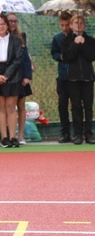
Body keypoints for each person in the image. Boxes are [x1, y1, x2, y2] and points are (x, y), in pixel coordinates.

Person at [0, 15, 24, 148]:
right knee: (1, 106)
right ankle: (4, 137)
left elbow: (18, 59)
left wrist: (7, 75)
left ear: (7, 25)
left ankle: (13, 136)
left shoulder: (15, 40)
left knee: (11, 106)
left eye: (3, 24)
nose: (1, 26)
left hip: (13, 74)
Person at [61, 14, 95, 145]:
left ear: (84, 25)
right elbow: (68, 57)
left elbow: (91, 56)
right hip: (72, 79)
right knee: (76, 106)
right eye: (76, 23)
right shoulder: (66, 40)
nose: (79, 25)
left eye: (81, 23)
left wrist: (83, 44)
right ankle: (78, 134)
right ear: (71, 25)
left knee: (88, 106)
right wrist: (75, 44)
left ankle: (89, 133)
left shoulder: (90, 40)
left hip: (87, 78)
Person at [7, 13, 33, 144]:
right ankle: (8, 135)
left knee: (21, 105)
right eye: (10, 21)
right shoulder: (0, 37)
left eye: (15, 21)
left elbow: (26, 57)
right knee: (8, 106)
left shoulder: (21, 36)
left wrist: (27, 76)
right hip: (8, 77)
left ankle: (20, 135)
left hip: (21, 75)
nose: (12, 23)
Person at [51, 11, 73, 143]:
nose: (65, 28)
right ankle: (65, 133)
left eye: (67, 25)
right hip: (63, 76)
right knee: (62, 105)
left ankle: (79, 131)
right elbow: (54, 53)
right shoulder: (57, 38)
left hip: (75, 76)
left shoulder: (76, 36)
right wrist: (60, 57)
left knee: (76, 105)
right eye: (62, 25)